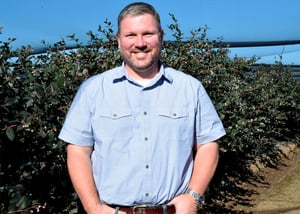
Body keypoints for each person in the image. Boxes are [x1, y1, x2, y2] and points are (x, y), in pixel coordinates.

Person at [59, 2, 226, 214]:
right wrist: (94, 208)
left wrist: (193, 198)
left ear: (161, 36)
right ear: (119, 40)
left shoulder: (190, 88)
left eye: (148, 34)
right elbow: (78, 151)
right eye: (131, 35)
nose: (140, 43)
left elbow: (207, 144)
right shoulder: (93, 90)